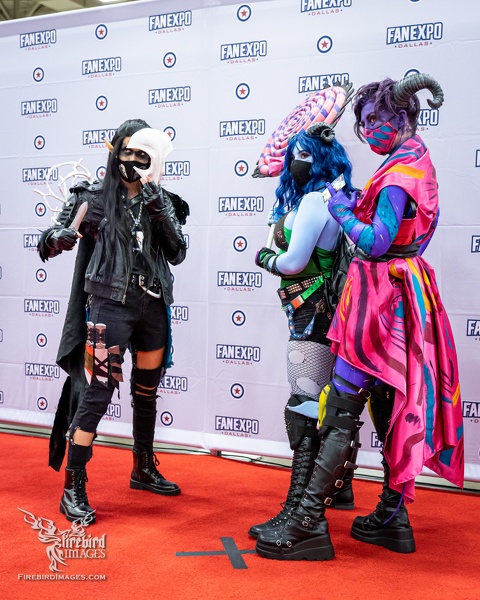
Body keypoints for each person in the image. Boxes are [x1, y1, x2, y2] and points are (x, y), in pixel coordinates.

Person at [255, 73, 464, 561]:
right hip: (399, 293)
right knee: (388, 405)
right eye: (364, 122)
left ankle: (308, 521)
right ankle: (392, 518)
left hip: (380, 298)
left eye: (375, 120)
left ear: (401, 116)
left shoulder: (400, 173)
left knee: (342, 407)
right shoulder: (412, 161)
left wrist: (341, 208)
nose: (368, 130)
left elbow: (376, 240)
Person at [37, 118, 189, 523]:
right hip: (109, 308)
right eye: (127, 152)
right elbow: (49, 238)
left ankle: (143, 467)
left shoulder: (163, 199)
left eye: (142, 154)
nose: (134, 160)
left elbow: (177, 253)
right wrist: (57, 239)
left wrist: (158, 208)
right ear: (115, 152)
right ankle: (73, 484)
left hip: (153, 307)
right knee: (98, 390)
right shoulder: (93, 197)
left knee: (147, 389)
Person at [250, 121, 357, 540]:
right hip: (322, 310)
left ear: (323, 159)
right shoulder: (335, 198)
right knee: (326, 402)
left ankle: (300, 508)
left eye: (305, 155)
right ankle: (338, 489)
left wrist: (265, 258)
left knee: (305, 406)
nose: (297, 162)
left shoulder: (315, 201)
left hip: (312, 312)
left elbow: (293, 262)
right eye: (295, 154)